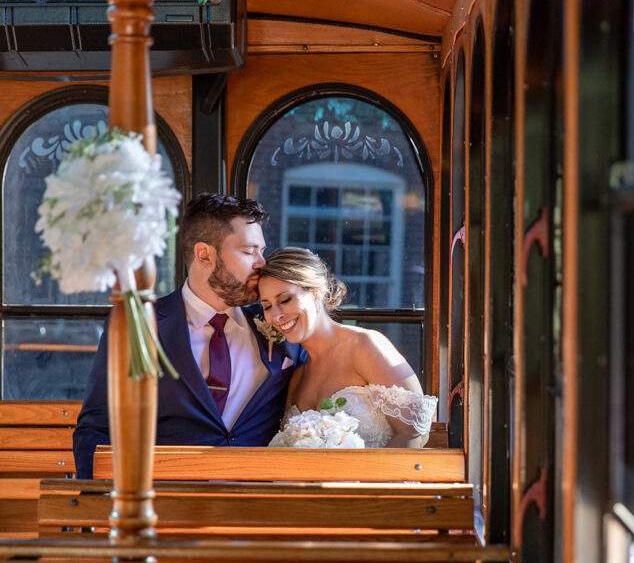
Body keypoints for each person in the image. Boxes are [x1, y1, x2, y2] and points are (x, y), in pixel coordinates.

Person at [72, 194, 306, 478]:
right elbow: (98, 427)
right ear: (204, 254)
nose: (261, 262)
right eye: (249, 251)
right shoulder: (138, 325)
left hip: (259, 501)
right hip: (168, 504)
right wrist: (99, 504)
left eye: (262, 251)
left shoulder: (278, 320)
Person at [258, 247, 437, 448]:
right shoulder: (297, 376)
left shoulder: (364, 346)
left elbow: (415, 433)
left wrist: (359, 479)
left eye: (285, 300)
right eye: (267, 306)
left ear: (317, 292)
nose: (276, 315)